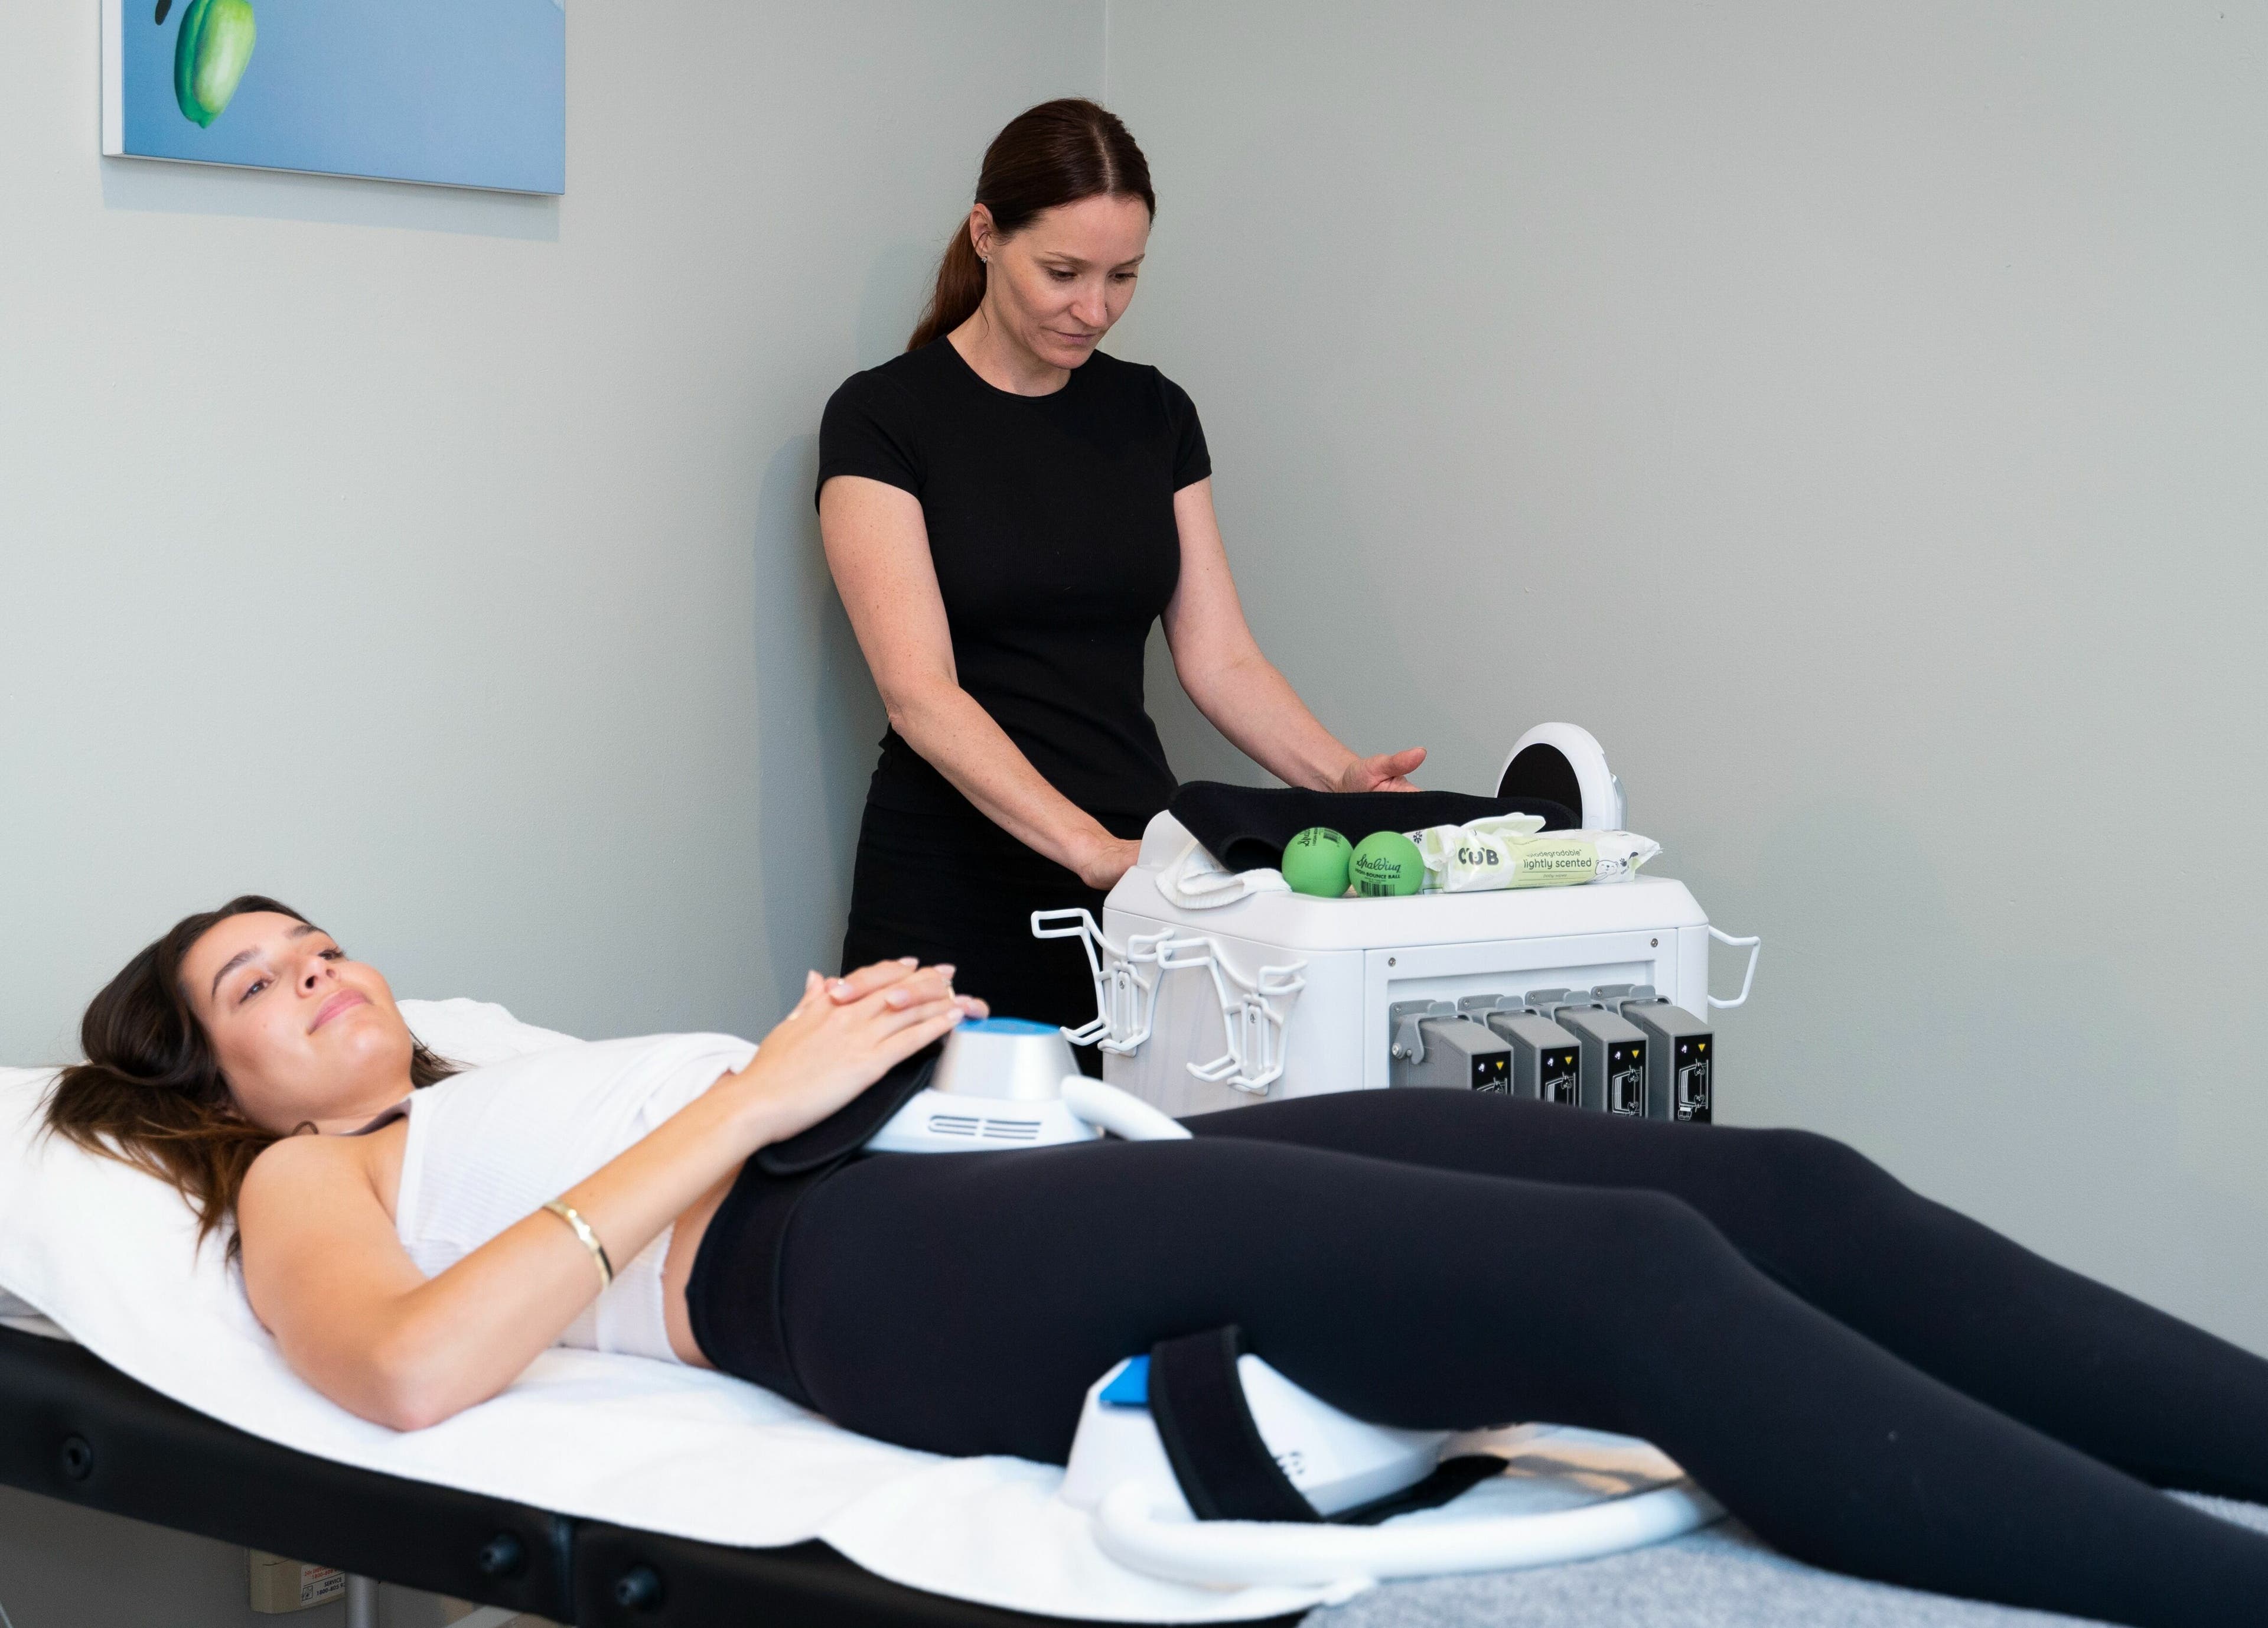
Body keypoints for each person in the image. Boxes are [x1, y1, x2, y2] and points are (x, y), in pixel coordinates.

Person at [44, 895, 2268, 1626]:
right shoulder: (310, 1184)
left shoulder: (470, 1070)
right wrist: (756, 1096)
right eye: (259, 981)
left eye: (323, 940)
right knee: (1632, 1280)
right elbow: (418, 1375)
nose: (321, 975)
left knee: (1772, 1182)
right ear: (209, 1076)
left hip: (980, 1159)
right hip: (852, 1256)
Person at [818, 99, 1423, 1040]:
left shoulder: (1155, 415)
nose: (1094, 309)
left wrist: (1343, 778)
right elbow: (920, 693)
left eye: (1123, 276)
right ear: (986, 235)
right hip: (952, 884)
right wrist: (1089, 851)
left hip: (1141, 887)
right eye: (1062, 272)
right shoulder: (882, 419)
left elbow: (1219, 658)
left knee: (1134, 1176)